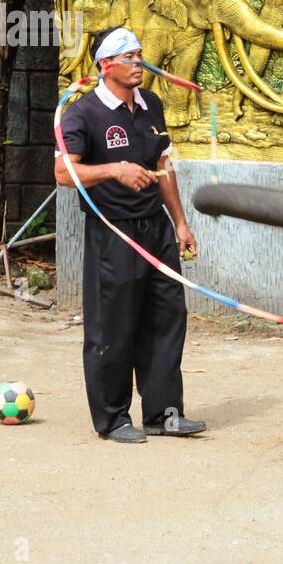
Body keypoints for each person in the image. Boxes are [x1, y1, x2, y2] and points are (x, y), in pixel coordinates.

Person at [54, 27, 206, 443]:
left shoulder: (151, 104)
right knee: (113, 326)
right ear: (105, 64)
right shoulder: (83, 114)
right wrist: (113, 169)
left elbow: (164, 166)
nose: (138, 62)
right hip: (113, 233)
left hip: (156, 228)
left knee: (166, 318)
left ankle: (164, 412)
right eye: (128, 56)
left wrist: (180, 221)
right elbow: (63, 172)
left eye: (140, 54)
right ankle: (114, 418)